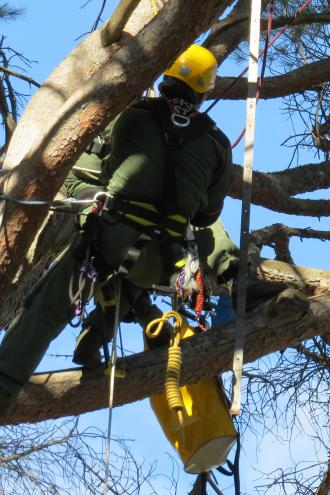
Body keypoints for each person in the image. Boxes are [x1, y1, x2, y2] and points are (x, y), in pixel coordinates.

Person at [0, 45, 234, 415]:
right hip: (166, 261)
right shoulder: (218, 144)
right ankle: (100, 330)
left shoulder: (129, 115)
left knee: (46, 311)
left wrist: (93, 198)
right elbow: (207, 215)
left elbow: (82, 167)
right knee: (142, 262)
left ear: (164, 80)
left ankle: (3, 386)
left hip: (111, 239)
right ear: (203, 93)